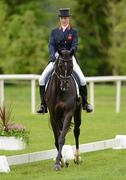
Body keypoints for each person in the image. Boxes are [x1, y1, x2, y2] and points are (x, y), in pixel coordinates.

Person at [37, 8, 93, 114]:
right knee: (41, 79)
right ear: (60, 19)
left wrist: (69, 53)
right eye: (62, 18)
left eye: (66, 18)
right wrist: (52, 55)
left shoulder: (73, 32)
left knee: (82, 80)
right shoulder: (54, 32)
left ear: (68, 19)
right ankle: (43, 105)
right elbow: (51, 44)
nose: (64, 20)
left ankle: (85, 103)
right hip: (57, 57)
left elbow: (75, 45)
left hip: (70, 58)